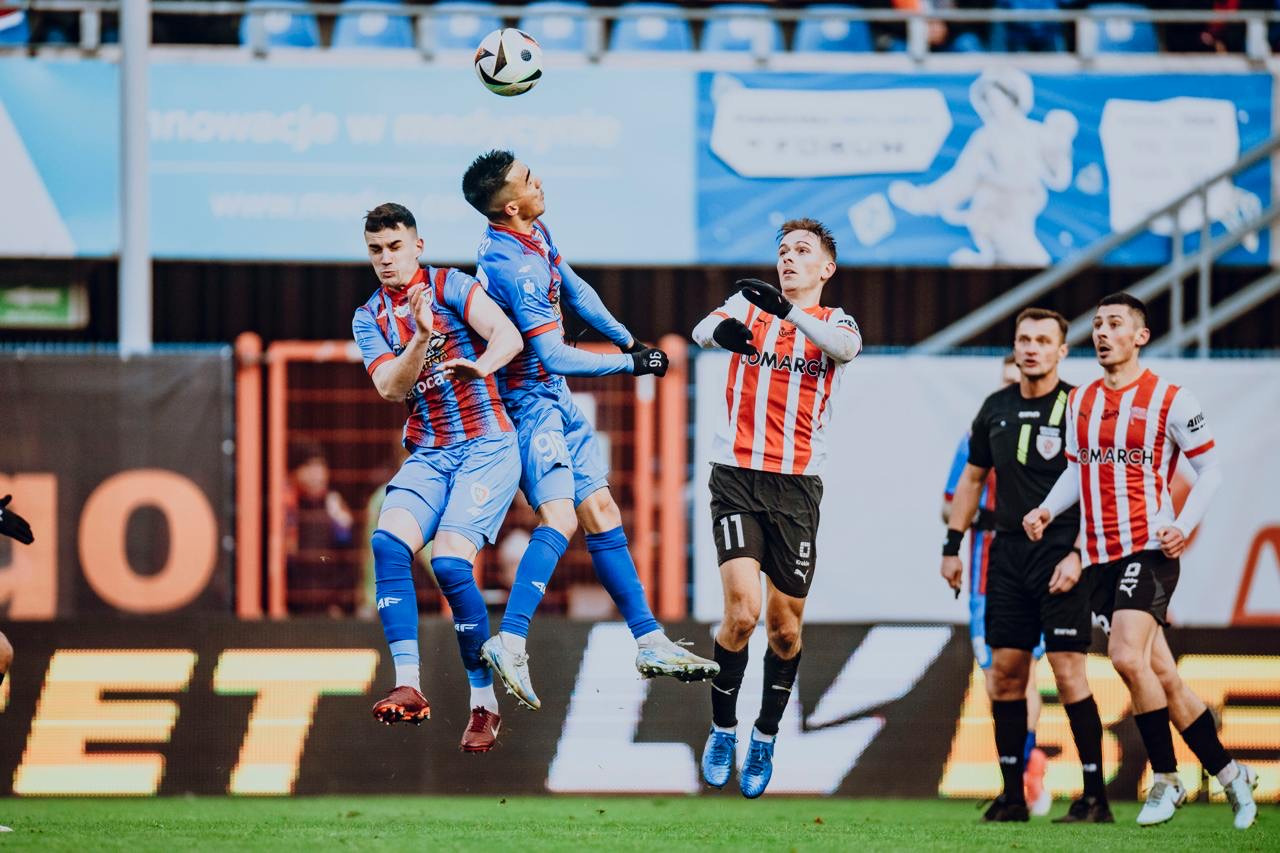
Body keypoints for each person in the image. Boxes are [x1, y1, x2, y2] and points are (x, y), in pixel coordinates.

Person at [461, 149, 718, 711]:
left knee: (602, 511)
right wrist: (629, 365)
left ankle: (649, 640)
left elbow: (577, 290)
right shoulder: (514, 266)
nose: (539, 180)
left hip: (553, 399)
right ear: (510, 206)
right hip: (526, 405)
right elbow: (552, 354)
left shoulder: (534, 234)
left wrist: (630, 341)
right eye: (528, 179)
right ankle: (511, 639)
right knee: (560, 517)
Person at [1024, 293, 1258, 830]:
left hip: (1149, 549)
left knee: (1127, 657)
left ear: (1141, 336)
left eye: (1115, 324)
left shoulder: (1171, 399)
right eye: (1097, 324)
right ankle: (1231, 774)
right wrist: (1047, 508)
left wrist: (1183, 524)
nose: (1102, 333)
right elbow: (1078, 471)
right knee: (1164, 677)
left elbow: (1211, 470)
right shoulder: (1080, 401)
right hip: (1100, 558)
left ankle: (1167, 778)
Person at [690, 218, 862, 799]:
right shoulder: (749, 304)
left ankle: (764, 734)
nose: (788, 258)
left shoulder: (836, 322)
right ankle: (723, 728)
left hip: (796, 488)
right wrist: (724, 333)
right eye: (783, 250)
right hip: (736, 476)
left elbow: (845, 349)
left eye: (802, 251)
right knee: (743, 614)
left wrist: (786, 313)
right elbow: (701, 330)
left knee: (785, 631)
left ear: (826, 268)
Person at [352, 202, 524, 753]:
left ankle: (484, 704)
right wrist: (422, 338)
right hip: (430, 452)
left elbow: (508, 337)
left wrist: (482, 365)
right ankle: (409, 685)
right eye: (376, 250)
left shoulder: (451, 285)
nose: (386, 258)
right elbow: (390, 388)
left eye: (395, 247)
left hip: (487, 446)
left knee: (449, 562)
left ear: (417, 246)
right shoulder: (368, 317)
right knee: (387, 542)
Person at [942, 309, 1110, 823]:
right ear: (1014, 347)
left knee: (1068, 672)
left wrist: (1080, 553)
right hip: (1007, 557)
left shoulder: (1080, 406)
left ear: (1062, 350)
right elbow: (972, 479)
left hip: (1061, 557)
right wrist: (951, 546)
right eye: (1024, 339)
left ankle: (1094, 796)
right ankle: (1013, 794)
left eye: (1042, 340)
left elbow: (1101, 488)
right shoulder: (995, 407)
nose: (1031, 348)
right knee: (1006, 676)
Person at [942, 353, 1053, 817]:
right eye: (1008, 380)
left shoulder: (1058, 427)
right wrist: (983, 517)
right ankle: (1026, 765)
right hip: (988, 574)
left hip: (1042, 567)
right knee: (996, 678)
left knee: (1028, 673)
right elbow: (949, 504)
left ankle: (1025, 772)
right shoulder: (981, 434)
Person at [285, 441, 356, 614]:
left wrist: (340, 604)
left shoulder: (335, 507)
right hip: (293, 605)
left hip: (329, 607)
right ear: (294, 473)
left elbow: (348, 559)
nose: (316, 474)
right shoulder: (286, 509)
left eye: (320, 466)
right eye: (308, 466)